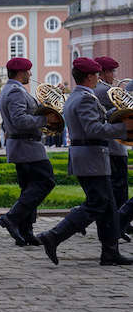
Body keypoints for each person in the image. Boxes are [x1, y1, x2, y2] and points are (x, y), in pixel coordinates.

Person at [37, 58, 133, 266]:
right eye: (97, 74)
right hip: (92, 157)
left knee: (107, 206)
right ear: (89, 77)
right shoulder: (85, 99)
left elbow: (95, 121)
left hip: (89, 156)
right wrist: (123, 127)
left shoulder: (78, 96)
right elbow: (94, 129)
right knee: (97, 203)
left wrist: (115, 114)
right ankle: (54, 235)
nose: (99, 78)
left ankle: (110, 252)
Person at [0, 57, 57, 246]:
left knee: (28, 189)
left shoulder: (11, 90)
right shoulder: (16, 92)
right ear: (21, 72)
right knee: (46, 182)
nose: (31, 74)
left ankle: (25, 230)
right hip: (27, 147)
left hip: (23, 147)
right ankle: (12, 218)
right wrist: (45, 120)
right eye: (28, 71)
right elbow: (20, 120)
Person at [93, 56, 128, 209]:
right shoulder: (106, 90)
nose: (114, 75)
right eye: (112, 71)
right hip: (114, 145)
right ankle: (121, 222)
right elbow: (126, 111)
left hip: (107, 145)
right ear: (103, 73)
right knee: (119, 187)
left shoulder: (97, 89)